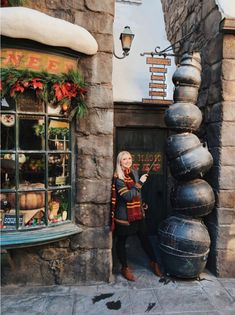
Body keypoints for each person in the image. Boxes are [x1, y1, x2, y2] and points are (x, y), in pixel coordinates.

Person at [111, 151, 163, 281]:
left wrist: (141, 204)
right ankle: (124, 267)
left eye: (129, 158)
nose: (128, 161)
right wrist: (140, 183)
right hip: (124, 216)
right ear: (120, 162)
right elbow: (128, 196)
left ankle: (154, 262)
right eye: (124, 159)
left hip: (137, 213)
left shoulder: (134, 172)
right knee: (121, 241)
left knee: (144, 238)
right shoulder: (118, 177)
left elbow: (137, 193)